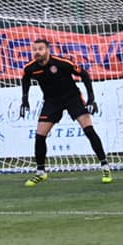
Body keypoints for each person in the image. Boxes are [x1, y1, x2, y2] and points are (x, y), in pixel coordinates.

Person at [20, 38, 112, 186]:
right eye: (35, 49)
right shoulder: (30, 68)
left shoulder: (62, 63)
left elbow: (84, 75)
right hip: (51, 102)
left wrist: (91, 98)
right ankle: (40, 172)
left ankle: (105, 166)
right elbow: (25, 80)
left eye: (40, 49)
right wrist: (24, 99)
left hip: (72, 98)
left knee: (89, 130)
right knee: (39, 136)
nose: (37, 52)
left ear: (48, 50)